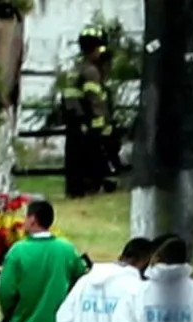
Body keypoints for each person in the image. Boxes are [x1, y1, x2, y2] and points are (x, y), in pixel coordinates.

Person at [62, 27, 114, 198]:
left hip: (74, 123)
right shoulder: (90, 72)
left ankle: (75, 190)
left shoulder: (74, 70)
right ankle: (91, 188)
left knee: (74, 162)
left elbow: (68, 100)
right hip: (89, 126)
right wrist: (103, 125)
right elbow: (95, 101)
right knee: (91, 162)